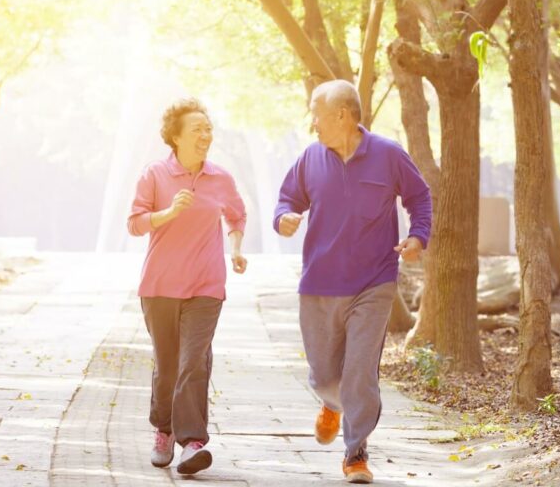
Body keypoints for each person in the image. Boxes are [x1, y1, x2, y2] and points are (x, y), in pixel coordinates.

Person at [274, 80, 432, 484]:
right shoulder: (311, 159)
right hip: (319, 284)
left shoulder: (388, 155)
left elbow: (419, 197)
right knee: (325, 374)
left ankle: (356, 452)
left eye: (317, 114)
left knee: (360, 370)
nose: (313, 125)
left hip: (373, 282)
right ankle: (332, 401)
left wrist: (417, 237)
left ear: (341, 114)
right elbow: (287, 199)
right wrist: (285, 218)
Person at [127, 97, 247, 475]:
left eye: (208, 129)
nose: (205, 135)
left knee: (193, 362)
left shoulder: (221, 178)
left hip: (206, 285)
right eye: (197, 129)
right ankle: (163, 429)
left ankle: (192, 442)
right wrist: (169, 212)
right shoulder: (154, 175)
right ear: (175, 137)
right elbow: (135, 223)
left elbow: (237, 215)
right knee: (168, 366)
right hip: (160, 285)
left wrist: (237, 249)